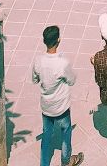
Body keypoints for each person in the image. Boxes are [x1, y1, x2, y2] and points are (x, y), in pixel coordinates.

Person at [31, 24, 83, 166]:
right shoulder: (62, 63)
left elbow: (34, 79)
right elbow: (72, 80)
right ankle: (66, 161)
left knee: (46, 136)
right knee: (66, 133)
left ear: (44, 41)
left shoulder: (38, 61)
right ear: (58, 40)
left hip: (46, 107)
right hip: (61, 107)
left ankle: (44, 163)